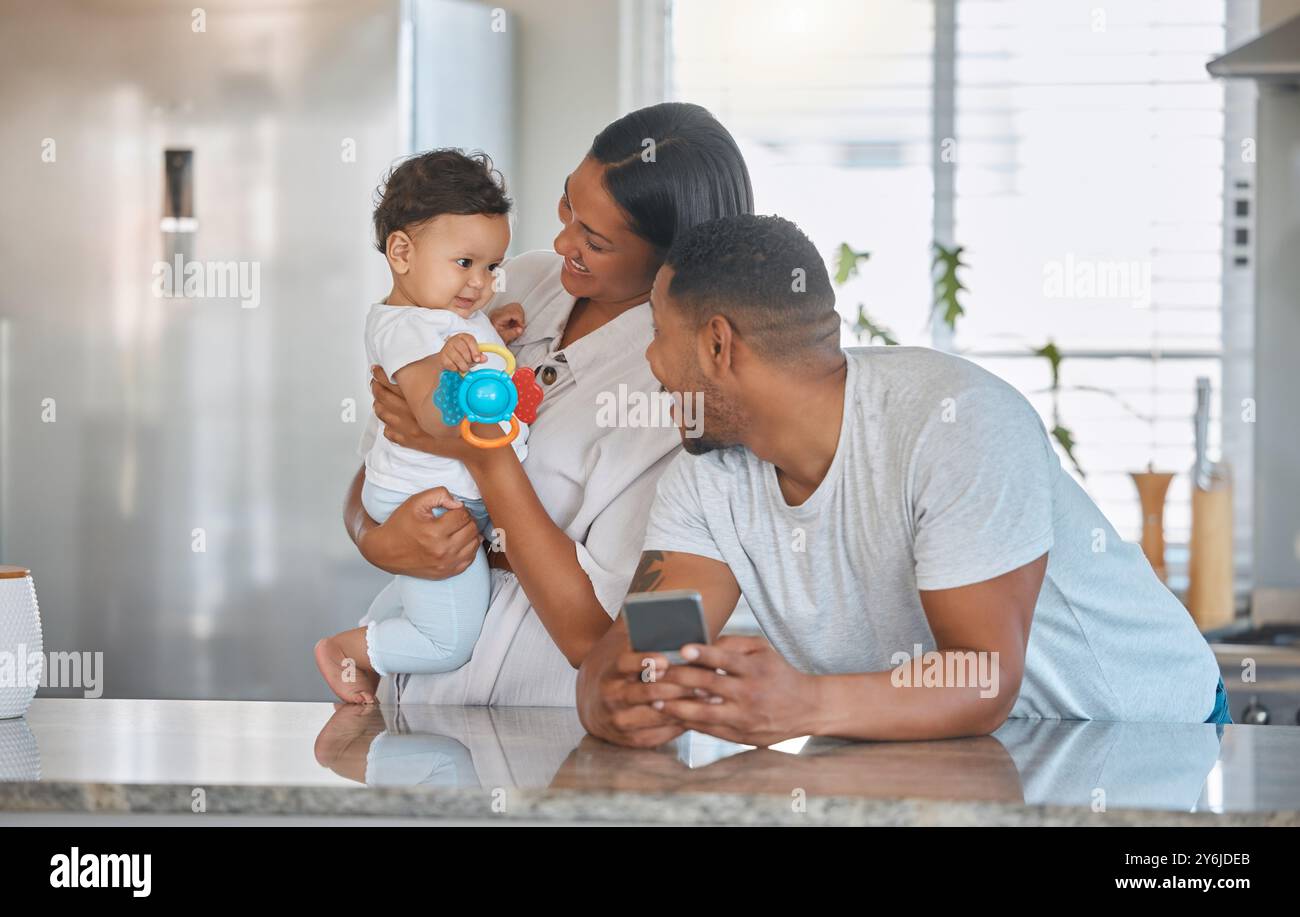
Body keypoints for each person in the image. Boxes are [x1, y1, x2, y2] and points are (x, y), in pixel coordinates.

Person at [577, 213, 1229, 749]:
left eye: (658, 333)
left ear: (720, 345)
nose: (651, 364)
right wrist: (619, 696)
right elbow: (643, 650)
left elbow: (984, 680)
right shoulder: (707, 475)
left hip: (1147, 734)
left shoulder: (957, 422)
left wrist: (803, 702)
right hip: (964, 752)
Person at [345, 102, 755, 705]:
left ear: (672, 256)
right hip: (407, 694)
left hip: (538, 718)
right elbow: (383, 456)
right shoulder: (516, 283)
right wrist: (372, 539)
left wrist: (485, 459)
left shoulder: (682, 396)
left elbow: (598, 637)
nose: (562, 240)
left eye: (594, 239)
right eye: (569, 203)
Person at [317, 149, 530, 703]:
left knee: (427, 595)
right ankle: (349, 650)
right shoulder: (408, 329)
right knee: (449, 642)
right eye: (465, 263)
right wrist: (453, 362)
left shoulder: (442, 315)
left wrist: (491, 342)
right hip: (427, 500)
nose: (480, 284)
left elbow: (472, 360)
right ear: (402, 251)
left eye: (491, 267)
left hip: (438, 492)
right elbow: (433, 418)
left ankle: (371, 632)